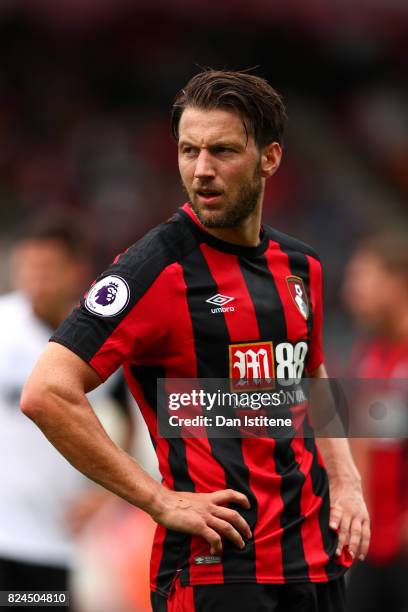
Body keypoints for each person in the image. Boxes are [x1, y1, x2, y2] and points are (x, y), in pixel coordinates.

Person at [21, 70, 369, 612]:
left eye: (223, 151)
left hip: (317, 561)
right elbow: (47, 391)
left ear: (270, 159)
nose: (202, 170)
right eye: (189, 151)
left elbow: (311, 373)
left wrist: (345, 481)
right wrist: (157, 500)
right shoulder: (153, 268)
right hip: (216, 572)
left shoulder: (302, 267)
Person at [0, 223, 134, 606]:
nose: (34, 279)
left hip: (53, 542)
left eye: (45, 268)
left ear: (75, 271)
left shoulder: (101, 342)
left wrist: (108, 494)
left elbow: (127, 417)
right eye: (27, 267)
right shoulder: (3, 326)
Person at [342, 233, 408, 612]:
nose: (352, 292)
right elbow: (364, 441)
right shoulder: (371, 354)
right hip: (374, 548)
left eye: (362, 279)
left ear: (396, 282)